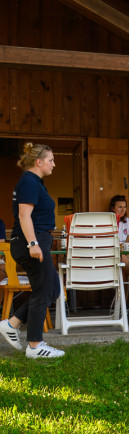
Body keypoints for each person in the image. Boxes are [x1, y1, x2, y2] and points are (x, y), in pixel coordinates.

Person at [0, 143, 65, 358]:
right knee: (45, 290)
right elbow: (23, 216)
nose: (54, 164)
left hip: (37, 241)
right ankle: (35, 346)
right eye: (51, 160)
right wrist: (33, 244)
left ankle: (12, 323)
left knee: (52, 289)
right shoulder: (28, 181)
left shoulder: (35, 182)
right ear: (38, 162)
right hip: (31, 243)